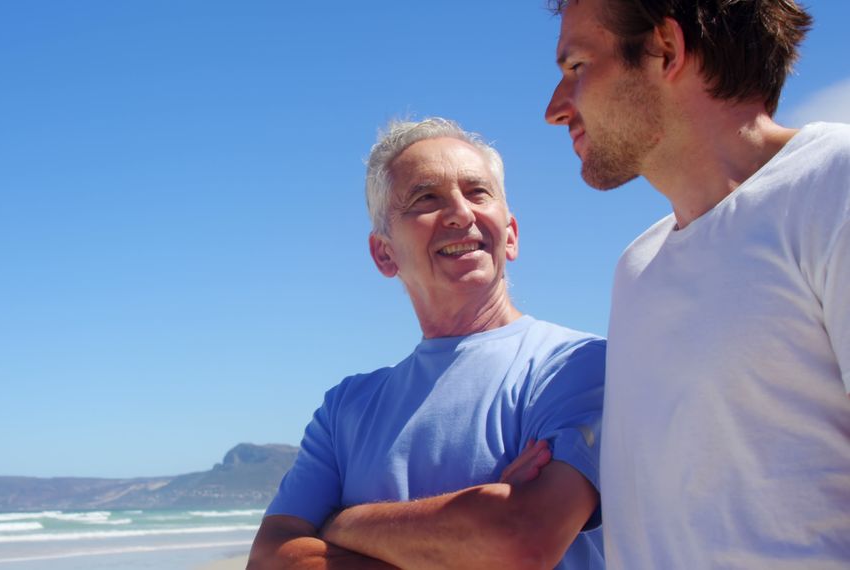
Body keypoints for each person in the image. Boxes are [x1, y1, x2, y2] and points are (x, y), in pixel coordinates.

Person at [544, 0, 850, 567]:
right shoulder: (635, 269)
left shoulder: (835, 182)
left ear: (665, 48)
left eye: (576, 67)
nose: (555, 109)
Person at [247, 117, 606, 569]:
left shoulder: (578, 366)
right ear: (384, 253)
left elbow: (522, 540)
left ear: (510, 233)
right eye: (426, 197)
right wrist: (470, 527)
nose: (460, 213)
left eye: (478, 192)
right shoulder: (345, 409)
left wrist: (341, 524)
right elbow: (268, 560)